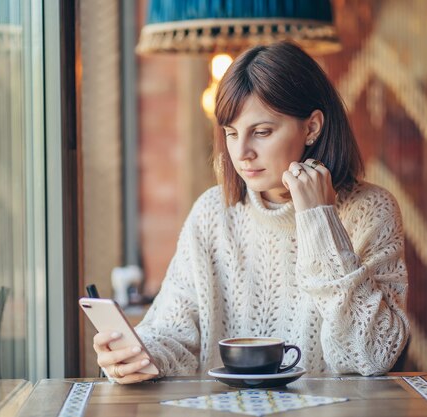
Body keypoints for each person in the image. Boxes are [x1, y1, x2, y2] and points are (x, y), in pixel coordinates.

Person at [94, 41, 410, 384]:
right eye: (231, 134)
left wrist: (320, 220)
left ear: (312, 127)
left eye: (261, 132)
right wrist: (139, 354)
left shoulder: (371, 210)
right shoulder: (213, 213)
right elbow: (172, 331)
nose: (242, 153)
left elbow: (374, 355)